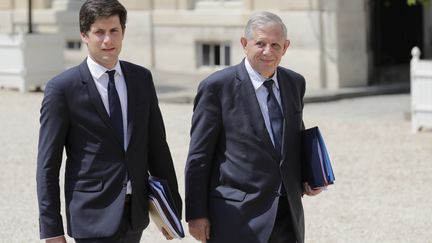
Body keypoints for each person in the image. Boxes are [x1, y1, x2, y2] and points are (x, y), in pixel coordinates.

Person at [36, 0, 182, 242]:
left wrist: (170, 212)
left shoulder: (141, 79)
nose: (108, 40)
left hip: (135, 215)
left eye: (114, 31)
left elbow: (158, 149)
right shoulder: (62, 89)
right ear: (84, 35)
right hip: (91, 214)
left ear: (123, 31)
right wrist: (52, 230)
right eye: (99, 32)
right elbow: (47, 165)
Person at [185, 11, 322, 243]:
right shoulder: (217, 87)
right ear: (244, 44)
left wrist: (311, 176)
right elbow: (199, 156)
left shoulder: (294, 83)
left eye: (275, 45)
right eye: (260, 43)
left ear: (285, 47)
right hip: (236, 217)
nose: (268, 51)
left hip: (287, 214)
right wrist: (196, 214)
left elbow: (294, 136)